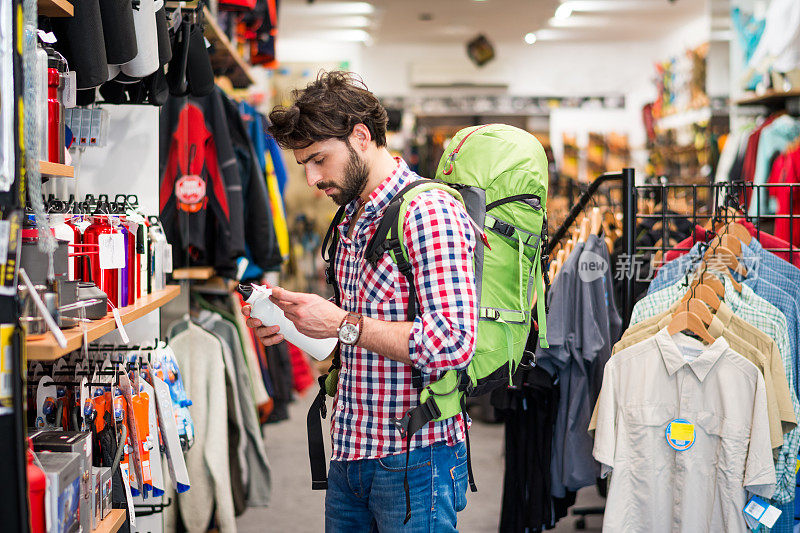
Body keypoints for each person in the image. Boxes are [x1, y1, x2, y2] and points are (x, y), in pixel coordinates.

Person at [242, 71, 478, 532]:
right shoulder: (352, 215)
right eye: (303, 165)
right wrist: (294, 324)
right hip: (350, 450)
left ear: (361, 136)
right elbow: (356, 337)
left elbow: (453, 341)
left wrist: (341, 323)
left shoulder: (429, 213)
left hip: (415, 457)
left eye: (318, 160)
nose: (311, 179)